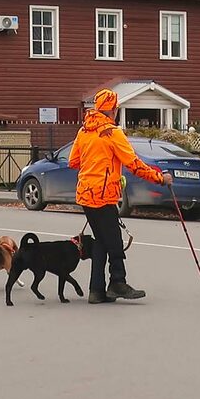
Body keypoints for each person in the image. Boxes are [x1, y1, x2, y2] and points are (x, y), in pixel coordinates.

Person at [69, 88, 169, 303]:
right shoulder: (112, 133)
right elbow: (134, 164)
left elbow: (73, 162)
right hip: (103, 195)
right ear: (112, 110)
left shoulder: (84, 131)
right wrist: (160, 179)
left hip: (86, 193)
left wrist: (98, 164)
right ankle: (117, 283)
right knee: (114, 242)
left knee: (101, 242)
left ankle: (97, 290)